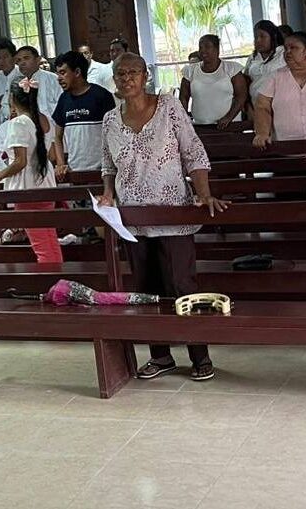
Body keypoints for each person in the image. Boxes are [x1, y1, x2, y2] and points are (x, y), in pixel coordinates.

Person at [98, 52, 228, 382]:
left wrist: (202, 191)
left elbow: (193, 151)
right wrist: (108, 195)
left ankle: (199, 355)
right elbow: (107, 166)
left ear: (145, 76)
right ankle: (161, 355)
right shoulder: (110, 120)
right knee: (146, 289)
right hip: (133, 218)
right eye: (120, 73)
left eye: (133, 72)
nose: (126, 78)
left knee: (182, 285)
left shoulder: (168, 106)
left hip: (173, 214)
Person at [0, 79, 63, 263]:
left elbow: (20, 161)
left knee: (40, 243)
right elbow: (52, 156)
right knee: (49, 239)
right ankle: (58, 278)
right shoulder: (44, 118)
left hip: (26, 187)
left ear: (12, 98)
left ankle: (50, 284)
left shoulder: (18, 123)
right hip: (45, 183)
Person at [53, 50, 116, 178]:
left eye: (63, 73)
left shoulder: (102, 96)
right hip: (74, 171)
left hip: (102, 172)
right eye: (57, 74)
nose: (59, 78)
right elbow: (57, 137)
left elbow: (114, 134)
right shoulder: (63, 99)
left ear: (77, 72)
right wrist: (60, 164)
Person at [179, 35, 247, 128]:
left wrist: (228, 117)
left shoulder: (232, 68)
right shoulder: (190, 71)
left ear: (217, 49)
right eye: (200, 47)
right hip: (200, 126)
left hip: (230, 126)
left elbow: (241, 96)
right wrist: (184, 119)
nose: (203, 50)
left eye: (207, 46)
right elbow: (183, 97)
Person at [13, 45, 63, 133]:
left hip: (52, 129)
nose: (22, 63)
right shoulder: (18, 83)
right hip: (28, 131)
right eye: (19, 60)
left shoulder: (52, 79)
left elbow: (61, 106)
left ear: (38, 59)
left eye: (26, 58)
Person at [245, 20, 286, 112]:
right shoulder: (253, 57)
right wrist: (248, 107)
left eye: (263, 36)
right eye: (256, 37)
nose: (258, 40)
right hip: (257, 108)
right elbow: (246, 81)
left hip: (281, 108)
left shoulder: (283, 54)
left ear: (273, 37)